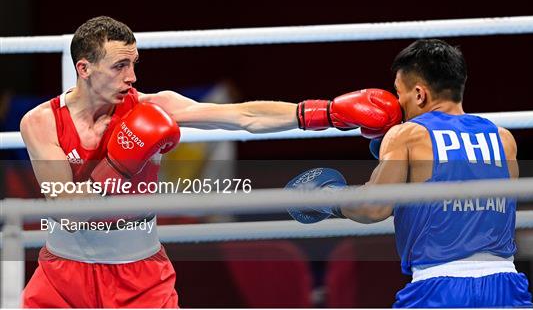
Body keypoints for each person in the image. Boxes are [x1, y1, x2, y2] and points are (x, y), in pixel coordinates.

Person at [18, 16, 401, 308]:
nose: (132, 77)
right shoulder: (41, 122)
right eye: (120, 66)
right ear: (83, 69)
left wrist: (326, 113)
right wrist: (119, 164)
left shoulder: (152, 106)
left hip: (140, 273)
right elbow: (65, 204)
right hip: (63, 274)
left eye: (135, 64)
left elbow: (242, 116)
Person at [290, 39, 533, 307]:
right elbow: (484, 211)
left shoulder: (407, 134)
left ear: (419, 94)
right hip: (507, 286)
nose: (397, 103)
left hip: (438, 286)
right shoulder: (504, 139)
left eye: (399, 93)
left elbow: (372, 207)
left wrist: (327, 197)